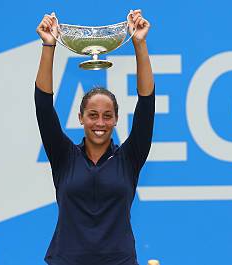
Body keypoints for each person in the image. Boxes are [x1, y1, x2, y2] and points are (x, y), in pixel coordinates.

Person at [34, 10, 154, 265]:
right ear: (80, 118)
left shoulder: (129, 158)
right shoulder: (64, 156)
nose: (100, 123)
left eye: (107, 116)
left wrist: (139, 44)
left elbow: (146, 104)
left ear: (116, 119)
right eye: (93, 115)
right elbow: (43, 106)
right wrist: (48, 44)